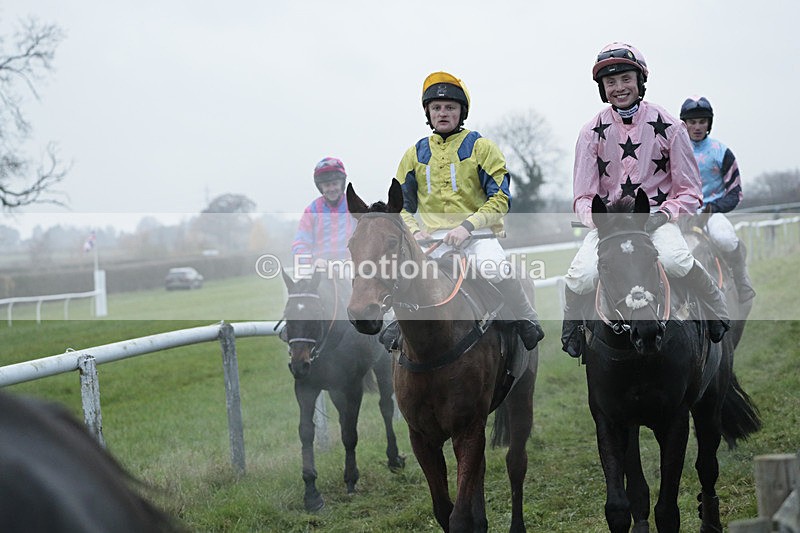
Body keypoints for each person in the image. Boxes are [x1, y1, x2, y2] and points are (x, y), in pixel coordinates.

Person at [561, 42, 730, 358]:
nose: (619, 87)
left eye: (625, 79)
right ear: (602, 88)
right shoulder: (590, 132)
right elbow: (583, 195)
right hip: (611, 224)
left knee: (676, 260)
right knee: (581, 275)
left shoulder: (670, 126)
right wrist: (599, 220)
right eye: (610, 82)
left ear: (640, 81)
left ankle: (714, 305)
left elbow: (691, 192)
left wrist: (664, 215)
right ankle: (572, 327)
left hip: (654, 217)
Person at [393, 71, 544, 351]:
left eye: (450, 107)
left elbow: (500, 198)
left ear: (462, 112)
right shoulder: (413, 154)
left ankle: (527, 319)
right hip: (431, 240)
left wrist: (467, 227)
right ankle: (394, 327)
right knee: (403, 277)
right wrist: (415, 232)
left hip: (478, 236)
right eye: (436, 108)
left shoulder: (481, 147)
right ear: (428, 112)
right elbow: (400, 206)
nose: (442, 113)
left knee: (495, 267)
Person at [680, 95, 756, 302]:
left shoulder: (722, 152)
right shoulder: (672, 151)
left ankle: (741, 282)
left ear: (709, 123)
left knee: (725, 238)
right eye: (692, 122)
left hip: (711, 212)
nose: (697, 127)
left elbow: (735, 192)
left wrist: (712, 208)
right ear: (684, 124)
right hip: (681, 212)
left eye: (702, 121)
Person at [291, 157, 355, 275]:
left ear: (342, 184)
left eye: (335, 184)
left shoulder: (355, 207)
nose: (331, 189)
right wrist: (311, 261)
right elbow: (300, 243)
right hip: (320, 270)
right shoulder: (311, 211)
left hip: (351, 268)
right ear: (320, 187)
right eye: (327, 185)